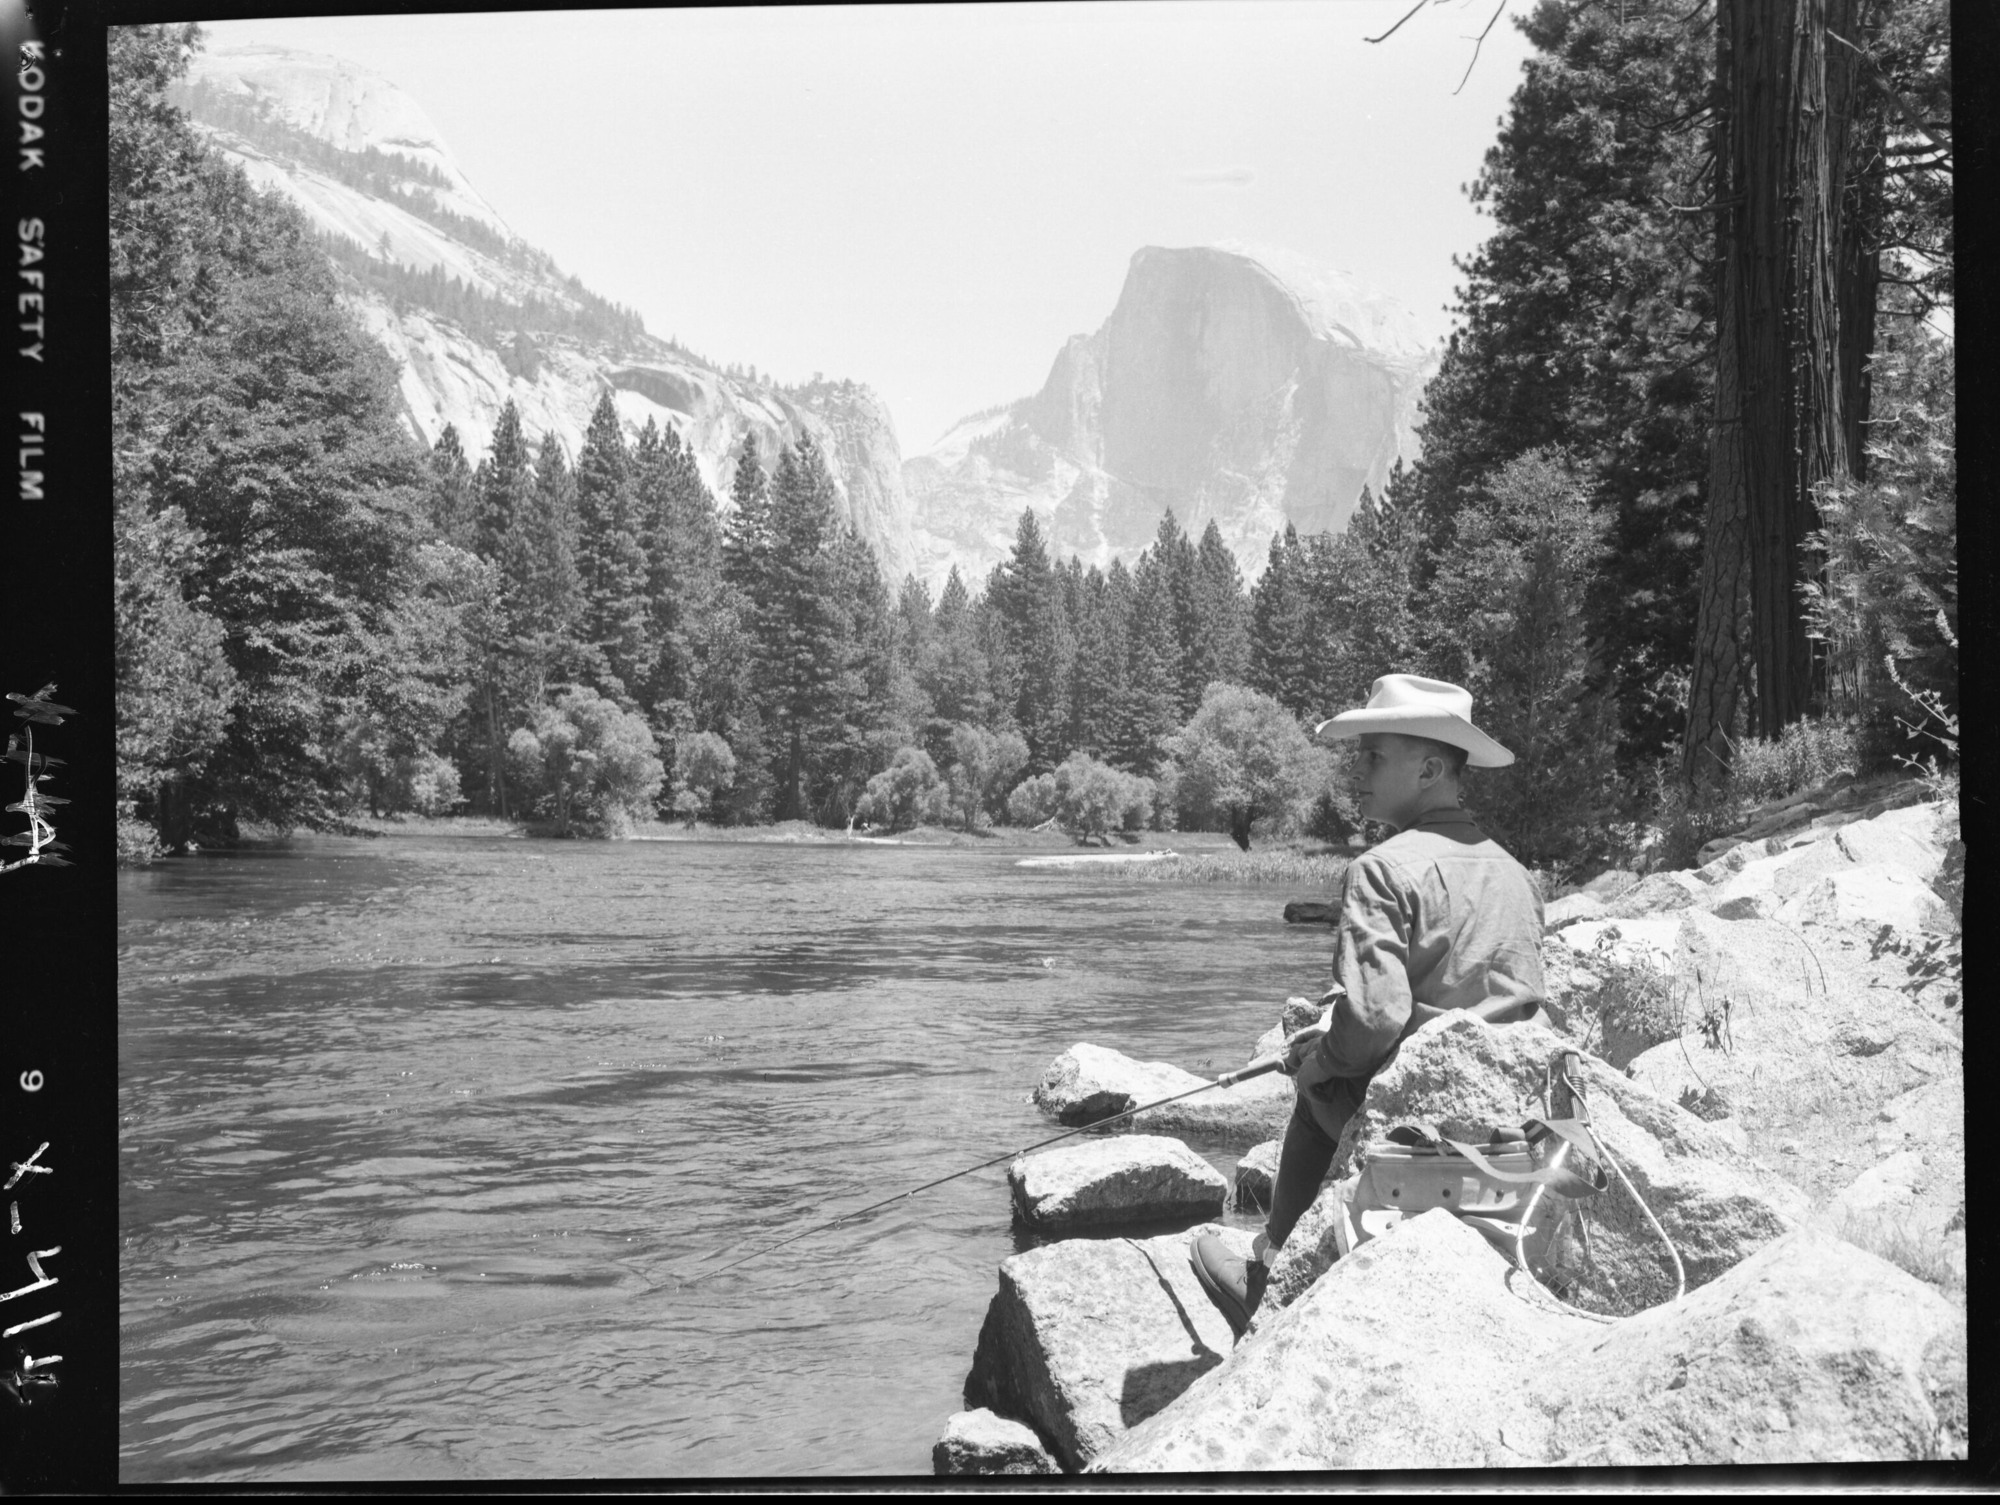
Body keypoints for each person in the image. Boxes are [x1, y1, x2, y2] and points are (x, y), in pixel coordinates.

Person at [1189, 674, 1547, 1337]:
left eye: (1374, 755)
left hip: (1423, 1124)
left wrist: (1316, 1058)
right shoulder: (1517, 874)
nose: (1358, 770)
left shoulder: (1380, 869)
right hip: (1514, 1127)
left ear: (1431, 767)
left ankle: (1265, 1275)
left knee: (1314, 1086)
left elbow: (1375, 1021)